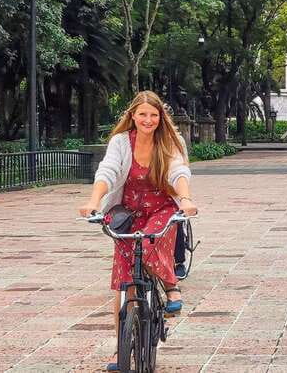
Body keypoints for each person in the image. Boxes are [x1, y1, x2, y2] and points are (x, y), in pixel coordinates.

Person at [78, 91, 198, 371]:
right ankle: (120, 349)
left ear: (160, 117)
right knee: (124, 283)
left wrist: (185, 199)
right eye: (142, 114)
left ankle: (170, 286)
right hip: (127, 212)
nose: (148, 120)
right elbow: (107, 171)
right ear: (132, 115)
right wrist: (93, 202)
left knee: (150, 245)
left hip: (160, 209)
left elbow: (178, 171)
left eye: (153, 115)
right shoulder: (121, 142)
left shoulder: (168, 141)